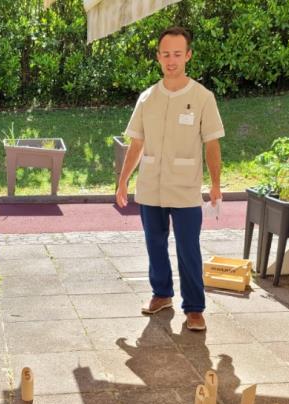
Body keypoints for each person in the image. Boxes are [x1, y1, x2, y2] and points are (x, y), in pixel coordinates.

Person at [116, 26, 225, 331]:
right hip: (150, 186)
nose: (171, 60)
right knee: (154, 244)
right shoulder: (147, 98)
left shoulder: (202, 97)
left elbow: (212, 143)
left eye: (177, 53)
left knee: (188, 248)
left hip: (186, 188)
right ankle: (161, 294)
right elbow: (136, 143)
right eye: (166, 54)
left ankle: (194, 308)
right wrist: (123, 180)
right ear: (158, 57)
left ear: (188, 55)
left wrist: (216, 184)